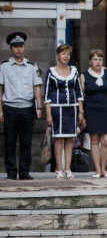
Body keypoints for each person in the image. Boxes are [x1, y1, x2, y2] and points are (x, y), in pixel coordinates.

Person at [0, 32, 43, 180]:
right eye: (15, 46)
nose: (18, 49)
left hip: (27, 107)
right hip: (10, 107)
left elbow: (36, 87)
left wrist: (39, 107)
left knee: (26, 141)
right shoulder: (4, 66)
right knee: (10, 141)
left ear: (24, 47)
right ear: (11, 48)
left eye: (21, 46)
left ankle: (24, 171)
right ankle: (11, 172)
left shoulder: (31, 66)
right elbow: (0, 88)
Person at [44, 44, 83, 179]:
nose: (66, 56)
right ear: (58, 55)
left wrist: (80, 111)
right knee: (58, 138)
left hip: (71, 107)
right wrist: (48, 114)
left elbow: (79, 92)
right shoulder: (51, 71)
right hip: (56, 107)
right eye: (63, 53)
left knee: (70, 138)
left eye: (68, 54)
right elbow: (47, 94)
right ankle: (58, 169)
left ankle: (68, 169)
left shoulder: (74, 71)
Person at [80, 49, 107, 178]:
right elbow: (80, 96)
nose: (97, 62)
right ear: (90, 61)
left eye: (100, 59)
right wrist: (81, 113)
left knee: (106, 140)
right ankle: (97, 170)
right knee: (94, 140)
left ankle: (104, 169)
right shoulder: (84, 75)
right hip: (91, 109)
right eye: (95, 59)